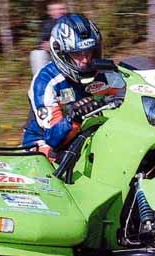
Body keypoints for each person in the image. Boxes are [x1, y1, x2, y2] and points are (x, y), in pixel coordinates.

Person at [23, 13, 121, 160]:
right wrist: (74, 118)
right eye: (77, 54)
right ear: (61, 53)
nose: (85, 60)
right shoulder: (45, 81)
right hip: (44, 145)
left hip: (87, 135)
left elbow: (128, 91)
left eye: (89, 52)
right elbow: (53, 139)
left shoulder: (104, 72)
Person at [30, 0, 68, 75]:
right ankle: (41, 80)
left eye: (61, 9)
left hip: (72, 52)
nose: (58, 12)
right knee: (37, 54)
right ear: (49, 12)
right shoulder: (47, 25)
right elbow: (42, 44)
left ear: (65, 10)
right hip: (54, 54)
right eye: (54, 10)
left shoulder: (73, 21)